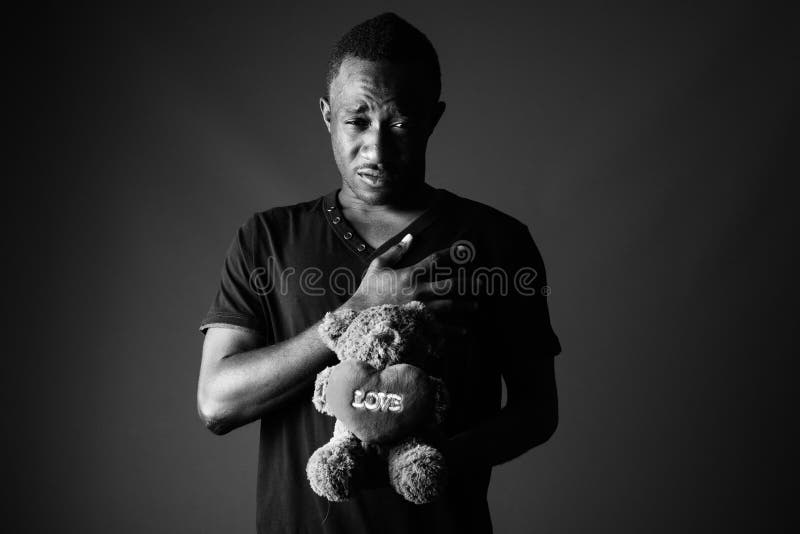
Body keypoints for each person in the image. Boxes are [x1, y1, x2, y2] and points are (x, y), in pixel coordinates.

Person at [197, 12, 561, 534]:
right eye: (357, 120)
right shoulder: (268, 239)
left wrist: (430, 464)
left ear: (433, 119)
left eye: (400, 123)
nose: (377, 148)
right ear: (327, 115)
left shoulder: (498, 242)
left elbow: (537, 411)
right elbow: (217, 403)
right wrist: (354, 311)